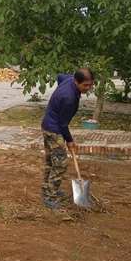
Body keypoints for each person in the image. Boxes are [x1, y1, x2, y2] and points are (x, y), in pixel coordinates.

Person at [40, 68, 94, 209]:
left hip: (48, 124)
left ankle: (48, 188)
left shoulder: (69, 79)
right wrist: (69, 140)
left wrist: (58, 96)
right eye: (85, 85)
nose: (87, 88)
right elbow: (63, 124)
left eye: (90, 85)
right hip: (53, 129)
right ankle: (49, 197)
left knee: (51, 160)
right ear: (76, 81)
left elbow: (59, 76)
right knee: (60, 163)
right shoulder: (69, 99)